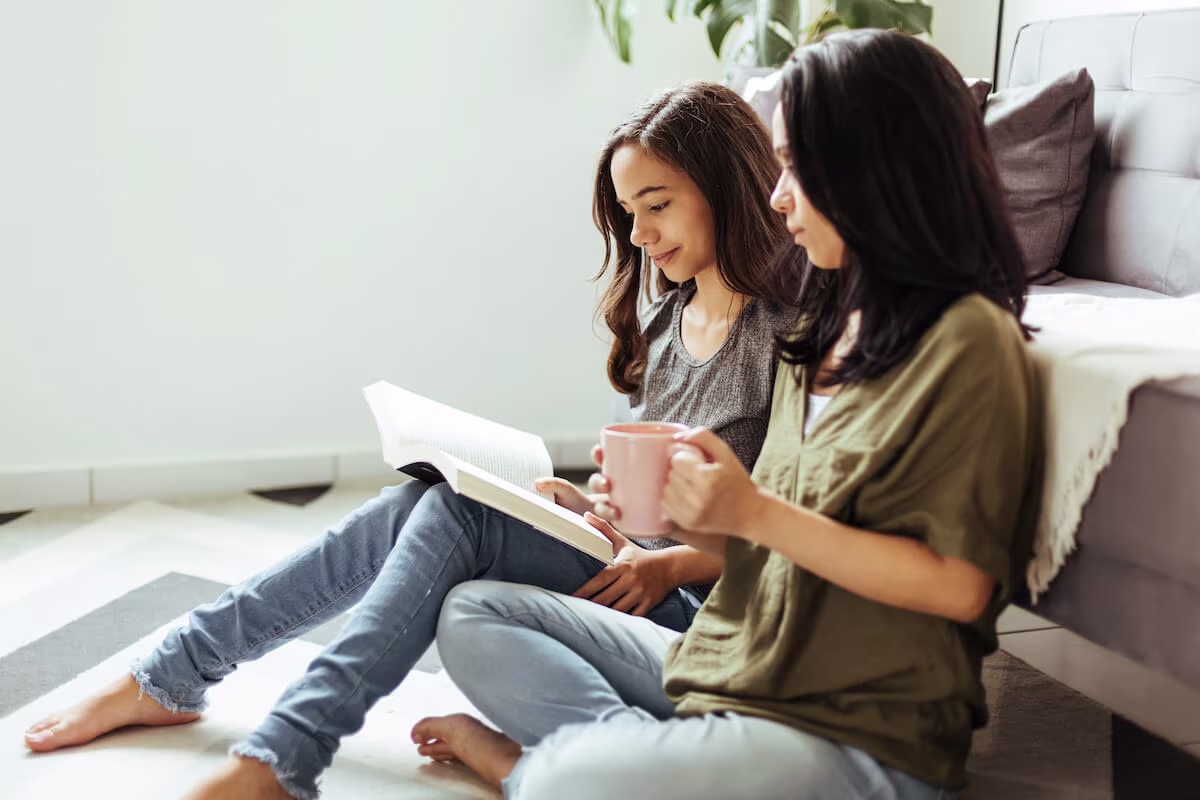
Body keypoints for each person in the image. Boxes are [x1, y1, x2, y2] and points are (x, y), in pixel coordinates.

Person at [24, 82, 802, 800]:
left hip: (706, 602)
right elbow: (658, 498)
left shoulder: (791, 333)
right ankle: (182, 681)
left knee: (454, 521)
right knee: (435, 506)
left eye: (656, 205)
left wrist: (670, 559)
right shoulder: (666, 320)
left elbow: (795, 518)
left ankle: (265, 741)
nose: (639, 234)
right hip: (630, 571)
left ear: (726, 184)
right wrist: (593, 510)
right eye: (629, 212)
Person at [409, 29, 1044, 800]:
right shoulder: (829, 329)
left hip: (850, 731)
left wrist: (753, 512)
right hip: (735, 667)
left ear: (874, 168)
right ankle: (643, 761)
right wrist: (696, 517)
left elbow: (960, 589)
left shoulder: (969, 340)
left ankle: (545, 771)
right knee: (474, 613)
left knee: (564, 784)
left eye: (795, 168)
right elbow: (772, 545)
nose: (777, 197)